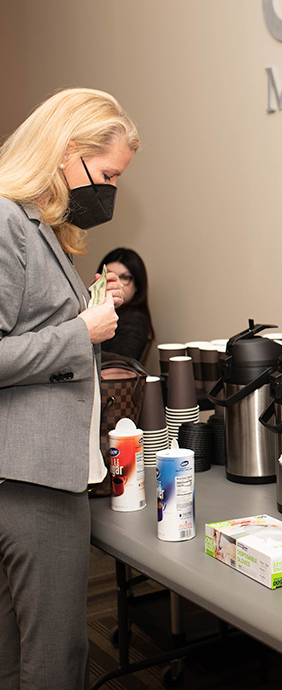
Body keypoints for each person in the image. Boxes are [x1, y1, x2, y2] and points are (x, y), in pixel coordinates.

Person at [0, 87, 139, 689]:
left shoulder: (38, 227)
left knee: (15, 651)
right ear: (67, 154)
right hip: (30, 478)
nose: (109, 190)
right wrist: (81, 332)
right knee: (54, 656)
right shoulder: (8, 221)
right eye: (107, 174)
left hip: (30, 470)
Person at [97, 247, 154, 362]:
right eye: (108, 275)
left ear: (137, 285)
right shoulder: (95, 312)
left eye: (124, 277)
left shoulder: (134, 319)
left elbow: (117, 364)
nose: (115, 283)